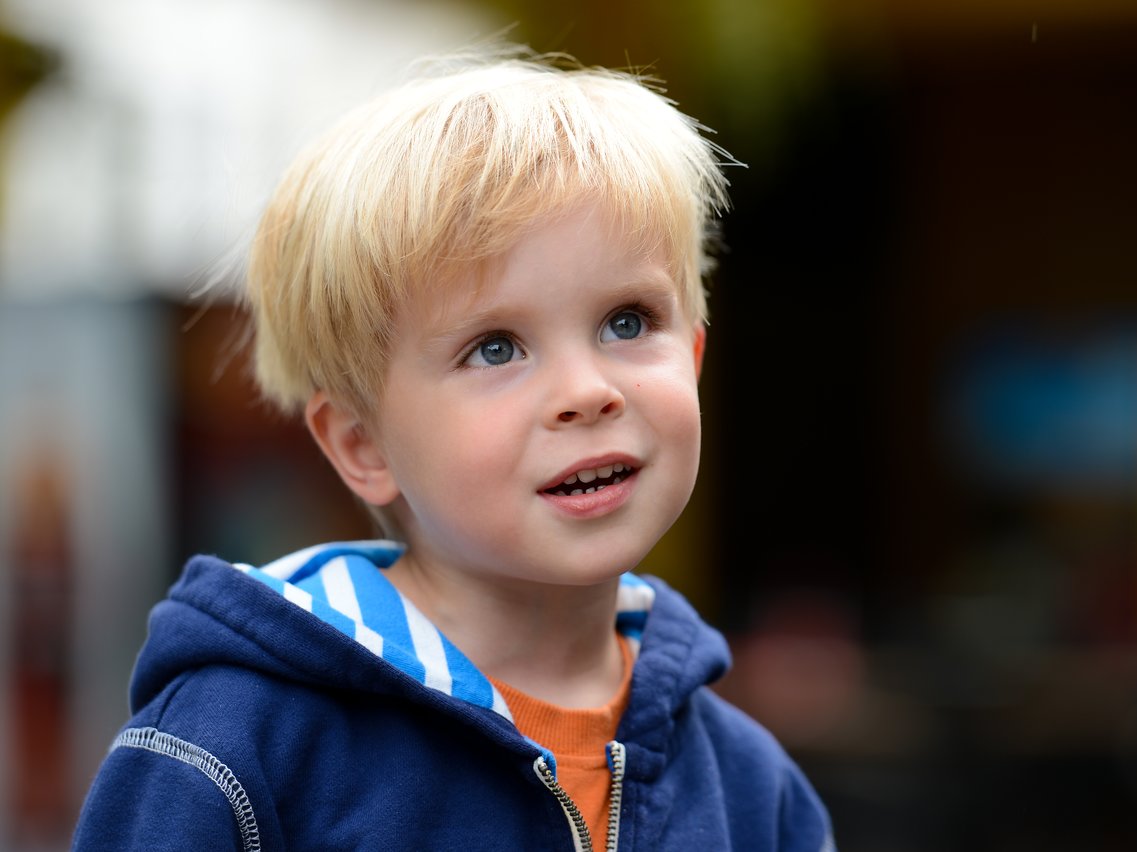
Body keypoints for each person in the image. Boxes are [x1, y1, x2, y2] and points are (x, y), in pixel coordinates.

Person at [72, 39, 836, 851]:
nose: (587, 391)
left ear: (693, 357)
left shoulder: (750, 786)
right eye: (496, 348)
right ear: (363, 445)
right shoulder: (234, 750)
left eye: (627, 322)